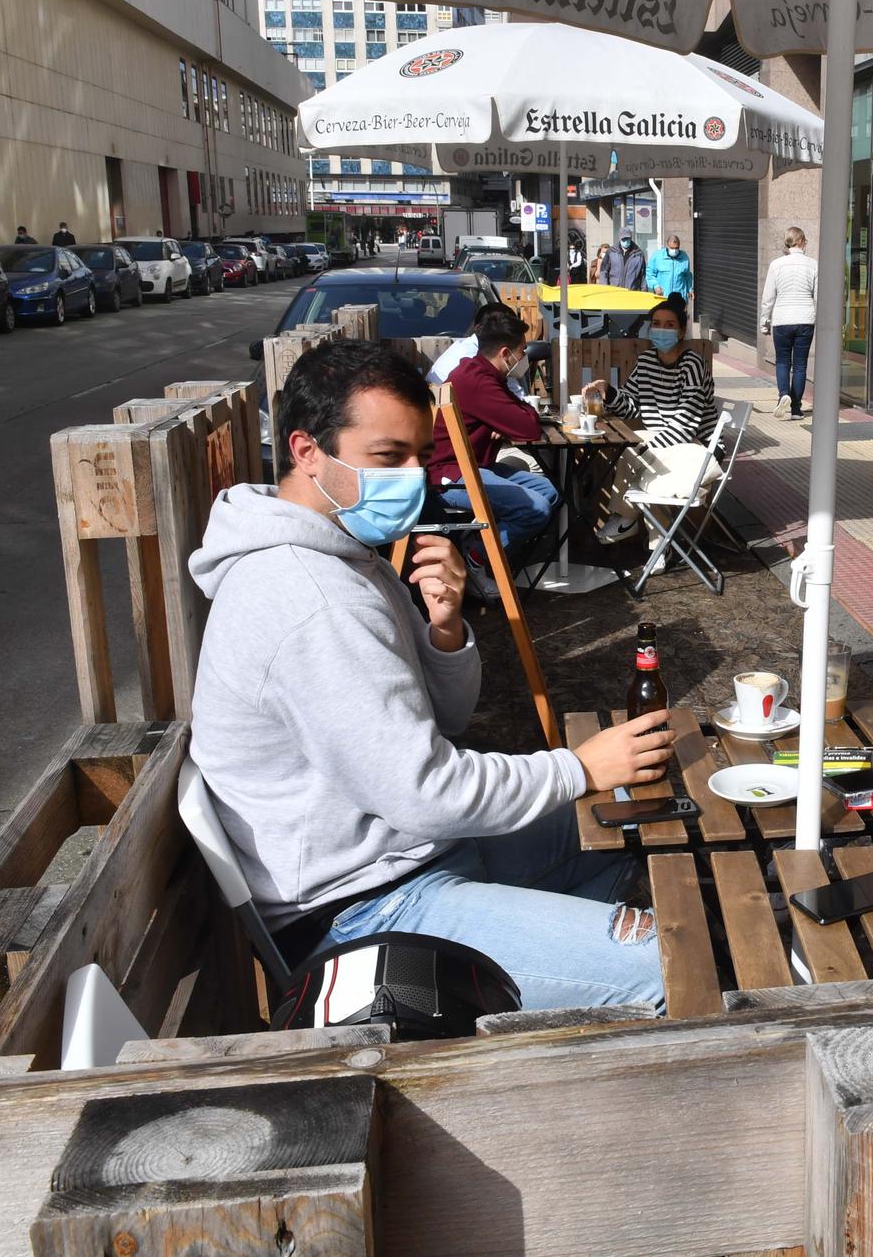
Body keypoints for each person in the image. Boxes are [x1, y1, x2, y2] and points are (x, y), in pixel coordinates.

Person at [187, 339, 667, 1013]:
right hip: (363, 915)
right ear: (306, 451)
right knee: (674, 963)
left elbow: (441, 724)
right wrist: (577, 768)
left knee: (638, 820)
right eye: (388, 458)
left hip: (415, 856)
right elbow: (425, 789)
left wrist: (443, 632)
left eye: (419, 455)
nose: (414, 478)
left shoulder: (346, 555)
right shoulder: (307, 597)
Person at [427, 304, 560, 583]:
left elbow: (524, 415)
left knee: (548, 491)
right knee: (535, 509)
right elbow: (529, 425)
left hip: (476, 465)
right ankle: (476, 555)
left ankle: (479, 539)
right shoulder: (478, 381)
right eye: (522, 351)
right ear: (504, 353)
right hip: (452, 474)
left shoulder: (484, 372)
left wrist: (510, 418)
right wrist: (508, 419)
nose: (524, 357)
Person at [588, 296, 717, 550]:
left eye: (669, 325)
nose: (661, 329)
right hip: (663, 440)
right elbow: (630, 406)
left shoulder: (692, 364)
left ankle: (626, 519)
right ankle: (658, 547)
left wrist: (648, 446)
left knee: (638, 457)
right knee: (633, 454)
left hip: (695, 443)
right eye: (656, 323)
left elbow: (687, 422)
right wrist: (609, 392)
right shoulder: (646, 362)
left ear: (681, 332)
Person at [760, 226, 818, 421]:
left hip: (783, 319)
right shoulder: (813, 265)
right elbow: (817, 297)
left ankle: (783, 393)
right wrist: (815, 317)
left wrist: (764, 321)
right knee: (800, 365)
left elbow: (768, 297)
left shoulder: (776, 265)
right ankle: (796, 409)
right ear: (801, 241)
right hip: (805, 319)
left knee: (783, 361)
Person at [646, 234, 693, 303]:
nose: (674, 250)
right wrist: (655, 286)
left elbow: (687, 275)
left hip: (679, 298)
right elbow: (650, 273)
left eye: (676, 248)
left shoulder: (684, 257)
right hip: (663, 297)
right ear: (667, 246)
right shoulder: (657, 256)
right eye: (672, 248)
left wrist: (690, 290)